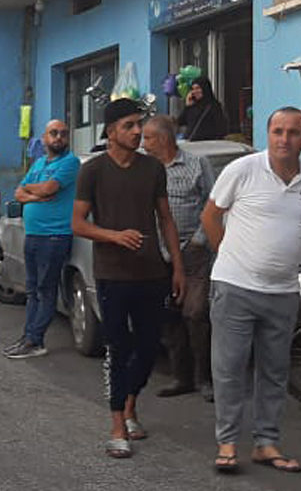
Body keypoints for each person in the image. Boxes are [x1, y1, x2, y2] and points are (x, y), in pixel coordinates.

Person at [201, 107, 301, 474]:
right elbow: (210, 216)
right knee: (229, 369)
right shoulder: (243, 169)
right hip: (235, 286)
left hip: (284, 291)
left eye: (293, 132)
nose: (284, 139)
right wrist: (229, 255)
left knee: (274, 370)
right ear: (268, 134)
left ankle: (266, 444)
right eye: (278, 131)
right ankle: (227, 444)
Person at [72, 99, 185, 459]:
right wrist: (114, 236)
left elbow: (165, 219)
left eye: (140, 125)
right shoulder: (93, 171)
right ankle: (118, 423)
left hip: (152, 272)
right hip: (112, 275)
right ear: (110, 132)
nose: (138, 132)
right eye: (130, 126)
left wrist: (177, 267)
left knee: (150, 347)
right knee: (119, 349)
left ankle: (132, 402)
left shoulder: (152, 169)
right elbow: (78, 223)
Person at [142, 115, 216, 403]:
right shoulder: (145, 168)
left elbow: (215, 203)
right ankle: (180, 376)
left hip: (194, 252)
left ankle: (204, 378)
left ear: (162, 139)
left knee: (196, 313)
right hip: (159, 254)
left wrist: (200, 240)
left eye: (147, 138)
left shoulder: (198, 164)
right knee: (169, 316)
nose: (143, 143)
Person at [5, 120, 80, 359]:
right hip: (34, 234)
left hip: (55, 236)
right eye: (53, 133)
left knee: (45, 290)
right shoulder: (38, 163)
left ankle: (36, 341)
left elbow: (50, 188)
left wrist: (32, 192)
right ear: (44, 138)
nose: (59, 137)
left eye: (63, 134)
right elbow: (18, 192)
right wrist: (35, 198)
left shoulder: (70, 162)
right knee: (32, 289)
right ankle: (28, 336)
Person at [177, 77, 228, 141]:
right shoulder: (193, 106)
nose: (195, 91)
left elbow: (221, 129)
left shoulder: (214, 106)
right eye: (193, 89)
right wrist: (187, 106)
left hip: (206, 145)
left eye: (197, 88)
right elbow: (180, 122)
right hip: (191, 146)